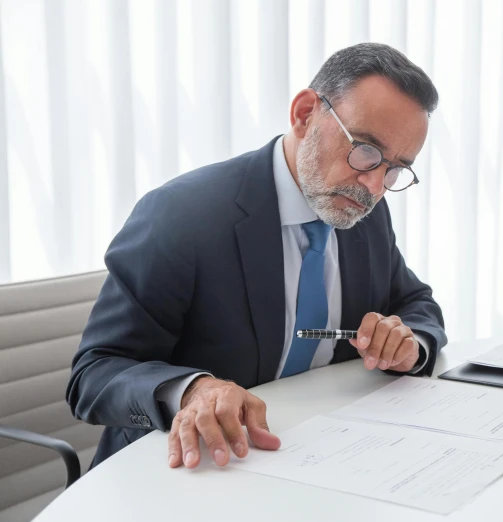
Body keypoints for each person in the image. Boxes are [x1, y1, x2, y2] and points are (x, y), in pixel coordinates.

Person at [66, 42, 447, 470]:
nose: (375, 186)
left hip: (321, 460)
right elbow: (93, 375)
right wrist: (192, 390)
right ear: (305, 114)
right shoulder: (180, 215)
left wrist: (410, 342)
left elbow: (416, 303)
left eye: (395, 168)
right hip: (190, 471)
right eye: (365, 150)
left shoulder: (365, 214)